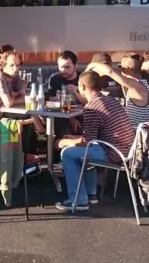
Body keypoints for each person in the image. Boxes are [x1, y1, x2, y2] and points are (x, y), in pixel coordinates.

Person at [55, 72, 136, 212]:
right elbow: (92, 139)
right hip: (127, 150)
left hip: (113, 153)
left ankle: (78, 200)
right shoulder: (110, 100)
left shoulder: (92, 107)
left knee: (68, 154)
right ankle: (91, 194)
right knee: (83, 152)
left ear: (82, 86)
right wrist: (72, 139)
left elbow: (88, 142)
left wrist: (64, 142)